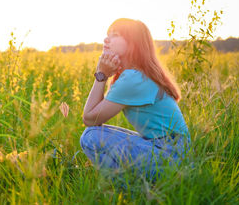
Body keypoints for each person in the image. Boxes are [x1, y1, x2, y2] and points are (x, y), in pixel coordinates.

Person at [80, 18, 191, 179]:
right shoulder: (135, 74)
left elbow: (90, 118)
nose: (106, 39)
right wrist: (103, 75)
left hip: (170, 156)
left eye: (115, 35)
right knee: (94, 132)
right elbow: (93, 119)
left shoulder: (134, 78)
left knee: (90, 136)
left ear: (133, 43)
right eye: (107, 34)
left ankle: (127, 191)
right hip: (171, 151)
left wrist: (101, 75)